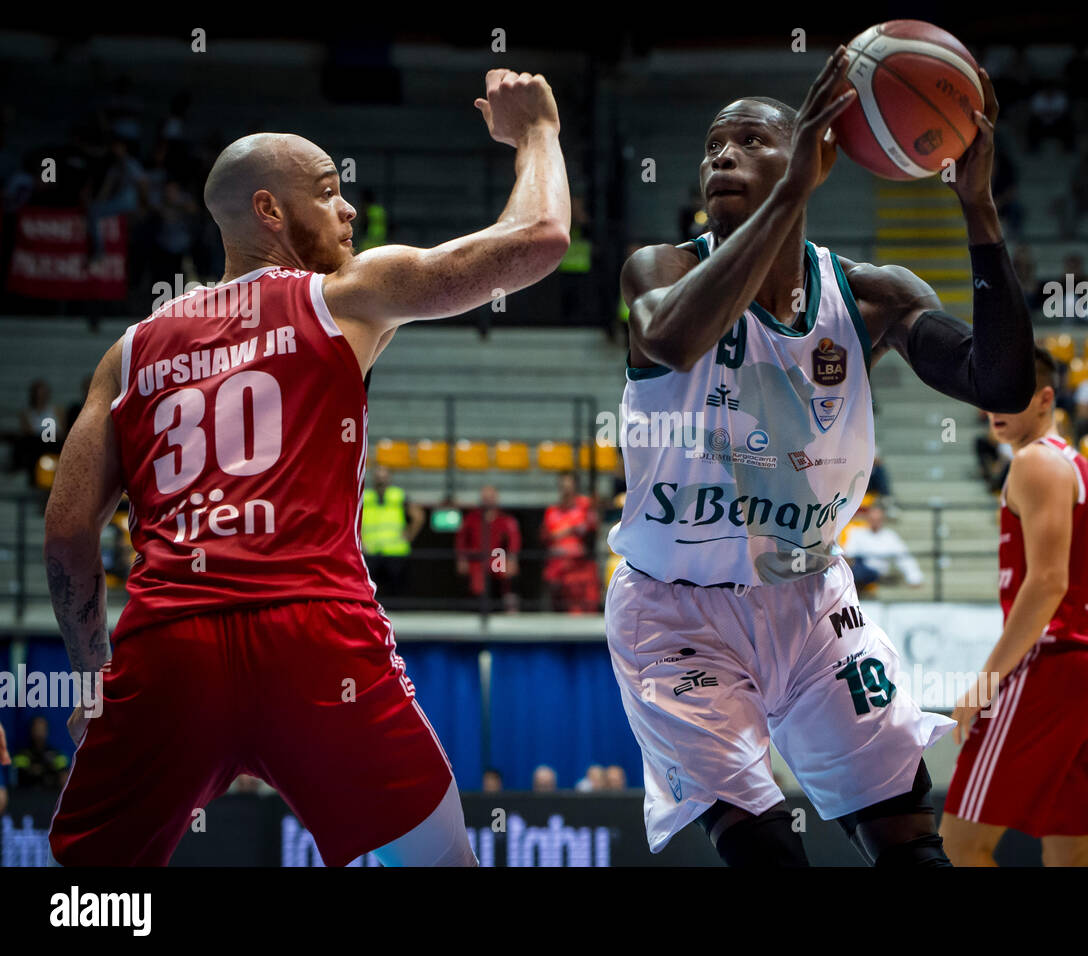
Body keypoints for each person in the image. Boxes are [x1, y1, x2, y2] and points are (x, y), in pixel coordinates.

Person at [41, 68, 570, 867]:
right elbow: (537, 241)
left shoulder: (131, 350)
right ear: (269, 210)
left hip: (168, 645)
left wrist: (91, 680)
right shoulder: (341, 296)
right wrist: (536, 131)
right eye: (329, 191)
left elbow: (68, 532)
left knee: (92, 899)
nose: (350, 207)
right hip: (316, 639)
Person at [607, 48, 1036, 867]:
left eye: (750, 142)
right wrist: (792, 187)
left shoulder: (873, 295)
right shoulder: (660, 269)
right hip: (675, 616)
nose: (721, 157)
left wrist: (979, 213)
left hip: (808, 603)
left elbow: (1004, 384)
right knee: (768, 853)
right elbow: (669, 337)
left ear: (815, 149)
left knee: (913, 847)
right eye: (712, 146)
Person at [941, 348, 1088, 866]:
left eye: (1009, 394)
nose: (994, 407)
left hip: (1052, 663)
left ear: (1045, 398)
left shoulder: (1033, 461)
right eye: (987, 396)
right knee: (1071, 851)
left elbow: (1049, 582)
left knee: (959, 843)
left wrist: (984, 685)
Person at [361, 465, 425, 600]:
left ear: (389, 479)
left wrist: (409, 535)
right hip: (371, 552)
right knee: (370, 592)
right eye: (378, 477)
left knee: (398, 593)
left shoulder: (398, 496)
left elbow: (418, 516)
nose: (381, 480)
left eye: (383, 477)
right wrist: (360, 541)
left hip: (395, 551)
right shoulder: (365, 497)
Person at [455, 484, 522, 612]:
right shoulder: (471, 518)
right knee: (477, 582)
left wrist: (512, 559)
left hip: (497, 556)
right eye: (485, 497)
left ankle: (508, 608)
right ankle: (477, 611)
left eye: (491, 497)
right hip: (477, 558)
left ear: (496, 498)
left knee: (506, 575)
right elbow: (461, 539)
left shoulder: (505, 519)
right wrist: (461, 558)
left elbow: (514, 540)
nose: (488, 500)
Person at [541, 472, 601, 613]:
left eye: (569, 486)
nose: (566, 490)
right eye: (563, 487)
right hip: (558, 565)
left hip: (580, 564)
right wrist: (571, 529)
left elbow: (590, 528)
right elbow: (548, 536)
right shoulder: (551, 511)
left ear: (575, 488)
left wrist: (564, 531)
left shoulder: (584, 507)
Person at [843, 503, 923, 589]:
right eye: (872, 519)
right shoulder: (857, 533)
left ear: (883, 519)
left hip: (876, 573)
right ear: (868, 519)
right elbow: (849, 554)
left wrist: (914, 577)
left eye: (878, 519)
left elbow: (903, 557)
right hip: (860, 568)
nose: (875, 522)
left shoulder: (890, 536)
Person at [11, 717, 70, 790]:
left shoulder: (57, 755)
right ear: (31, 730)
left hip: (51, 797)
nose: (39, 733)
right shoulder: (21, 755)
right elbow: (20, 778)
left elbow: (64, 778)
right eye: (37, 729)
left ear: (47, 731)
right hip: (26, 797)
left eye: (42, 729)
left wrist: (36, 771)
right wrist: (48, 771)